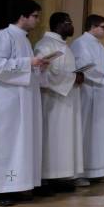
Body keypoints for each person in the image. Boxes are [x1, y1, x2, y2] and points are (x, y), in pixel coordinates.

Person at [0, 0, 49, 206]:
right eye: (36, 16)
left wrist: (38, 66)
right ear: (23, 16)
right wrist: (28, 63)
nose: (38, 21)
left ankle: (17, 186)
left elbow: (24, 70)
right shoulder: (2, 36)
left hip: (22, 102)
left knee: (20, 144)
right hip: (5, 102)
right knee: (5, 144)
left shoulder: (25, 40)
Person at [34, 12, 84, 193]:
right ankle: (46, 177)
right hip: (52, 101)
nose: (72, 26)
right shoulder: (45, 45)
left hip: (68, 100)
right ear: (58, 25)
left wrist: (78, 75)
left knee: (64, 138)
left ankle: (61, 176)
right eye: (69, 23)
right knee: (52, 137)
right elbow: (44, 73)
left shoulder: (64, 46)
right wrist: (72, 78)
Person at [71, 14, 104, 185]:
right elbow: (86, 68)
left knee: (100, 133)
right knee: (88, 132)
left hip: (102, 95)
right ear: (93, 27)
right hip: (89, 94)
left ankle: (98, 169)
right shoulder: (81, 44)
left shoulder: (98, 45)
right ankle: (82, 172)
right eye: (103, 27)